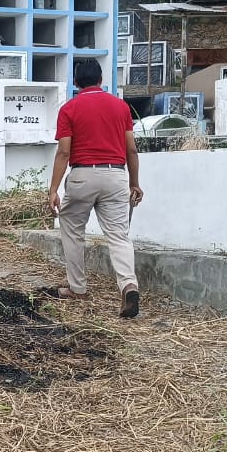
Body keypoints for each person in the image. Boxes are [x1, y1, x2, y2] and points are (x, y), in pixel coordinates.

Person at [46, 59, 143, 318]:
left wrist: (53, 189)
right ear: (101, 80)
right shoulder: (121, 107)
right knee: (119, 235)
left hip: (82, 175)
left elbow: (64, 151)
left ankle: (77, 288)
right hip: (116, 175)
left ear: (75, 82)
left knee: (71, 227)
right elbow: (131, 149)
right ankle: (129, 285)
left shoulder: (69, 109)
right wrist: (134, 182)